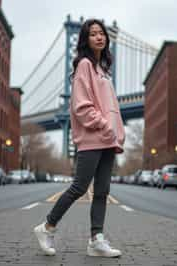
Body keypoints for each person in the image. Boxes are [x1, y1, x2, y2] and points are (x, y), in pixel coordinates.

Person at [34, 18, 125, 258]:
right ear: (85, 40)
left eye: (102, 33)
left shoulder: (102, 70)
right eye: (93, 34)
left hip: (108, 139)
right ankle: (47, 227)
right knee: (79, 187)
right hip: (93, 138)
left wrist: (118, 133)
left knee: (103, 190)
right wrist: (105, 126)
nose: (99, 37)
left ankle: (96, 240)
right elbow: (81, 106)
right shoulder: (84, 65)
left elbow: (112, 107)